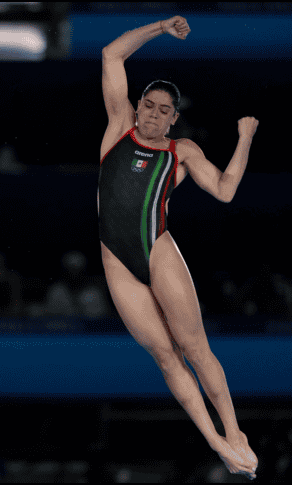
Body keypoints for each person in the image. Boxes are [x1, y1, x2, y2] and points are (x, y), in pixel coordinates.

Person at [97, 16, 259, 479]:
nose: (150, 114)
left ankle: (235, 430)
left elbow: (226, 190)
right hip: (118, 261)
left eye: (161, 110)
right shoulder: (118, 128)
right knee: (166, 356)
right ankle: (219, 445)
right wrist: (160, 28)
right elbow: (112, 54)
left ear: (174, 117)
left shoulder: (181, 151)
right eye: (147, 105)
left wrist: (243, 140)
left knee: (194, 346)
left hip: (158, 250)